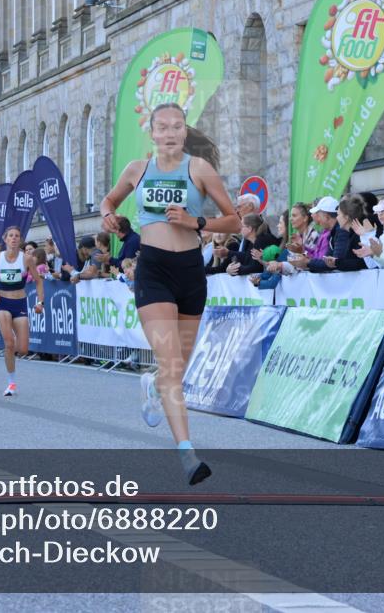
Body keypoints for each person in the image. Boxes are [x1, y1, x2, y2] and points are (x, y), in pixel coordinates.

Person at [100, 102, 240, 485]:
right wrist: (107, 214)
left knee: (177, 367)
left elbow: (235, 220)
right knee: (172, 365)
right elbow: (109, 201)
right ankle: (187, 454)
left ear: (184, 131)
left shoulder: (199, 169)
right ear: (152, 132)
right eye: (162, 127)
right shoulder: (137, 169)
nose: (169, 133)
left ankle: (153, 384)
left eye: (176, 126)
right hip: (154, 271)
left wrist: (197, 221)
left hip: (191, 272)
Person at [0, 226, 45, 396]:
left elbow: (39, 282)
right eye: (10, 236)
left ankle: (12, 358)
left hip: (20, 303)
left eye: (17, 236)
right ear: (5, 239)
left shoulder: (27, 259)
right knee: (9, 343)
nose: (13, 238)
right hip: (2, 303)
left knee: (23, 349)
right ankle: (11, 383)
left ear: (20, 240)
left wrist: (40, 302)